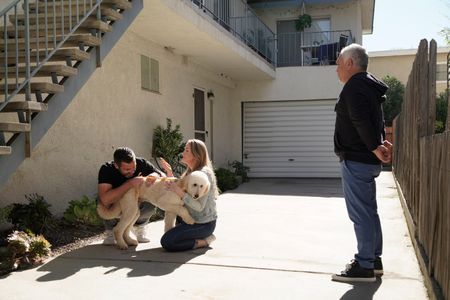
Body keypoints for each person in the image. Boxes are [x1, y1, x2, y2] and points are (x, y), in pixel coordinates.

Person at [331, 44, 392, 283]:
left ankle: (365, 264)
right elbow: (375, 120)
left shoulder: (354, 86)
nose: (336, 69)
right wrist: (381, 144)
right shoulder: (368, 86)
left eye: (338, 64)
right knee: (369, 212)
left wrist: (376, 147)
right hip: (365, 159)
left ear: (350, 63)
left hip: (356, 159)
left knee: (361, 214)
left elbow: (359, 120)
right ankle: (374, 260)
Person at [159, 139, 218, 252]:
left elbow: (199, 207)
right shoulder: (190, 171)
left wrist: (178, 191)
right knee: (170, 238)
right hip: (188, 220)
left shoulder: (204, 174)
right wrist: (169, 174)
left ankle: (205, 241)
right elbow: (180, 189)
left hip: (203, 224)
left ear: (196, 155)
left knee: (167, 242)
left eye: (186, 150)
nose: (183, 153)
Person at [97, 147, 163, 245]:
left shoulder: (141, 163)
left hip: (137, 203)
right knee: (102, 202)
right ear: (116, 165)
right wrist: (130, 183)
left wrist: (154, 176)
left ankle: (139, 228)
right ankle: (112, 231)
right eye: (127, 169)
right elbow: (106, 199)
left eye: (134, 167)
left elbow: (161, 174)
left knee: (152, 201)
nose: (132, 171)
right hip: (117, 205)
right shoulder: (107, 169)